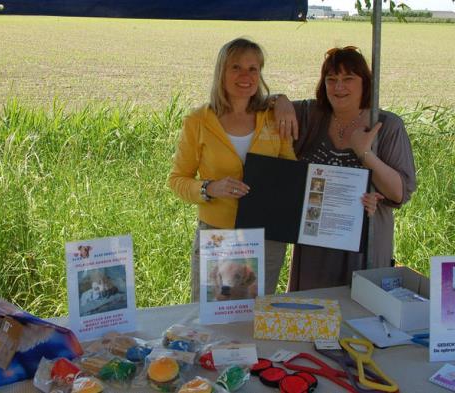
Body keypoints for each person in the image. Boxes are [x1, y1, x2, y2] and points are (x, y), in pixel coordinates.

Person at [274, 45, 417, 291]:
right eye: (332, 79)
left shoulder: (387, 125)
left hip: (365, 246)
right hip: (314, 249)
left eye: (348, 79)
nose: (339, 87)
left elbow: (398, 193)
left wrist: (365, 154)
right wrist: (280, 99)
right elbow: (257, 105)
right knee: (312, 318)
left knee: (361, 320)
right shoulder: (311, 115)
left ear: (365, 83)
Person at [168, 38, 297, 302]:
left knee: (255, 316)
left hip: (267, 236)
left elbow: (290, 174)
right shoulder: (198, 121)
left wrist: (281, 99)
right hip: (217, 234)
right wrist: (208, 188)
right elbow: (177, 179)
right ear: (221, 73)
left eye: (253, 69)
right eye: (236, 67)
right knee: (209, 316)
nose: (245, 76)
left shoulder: (274, 118)